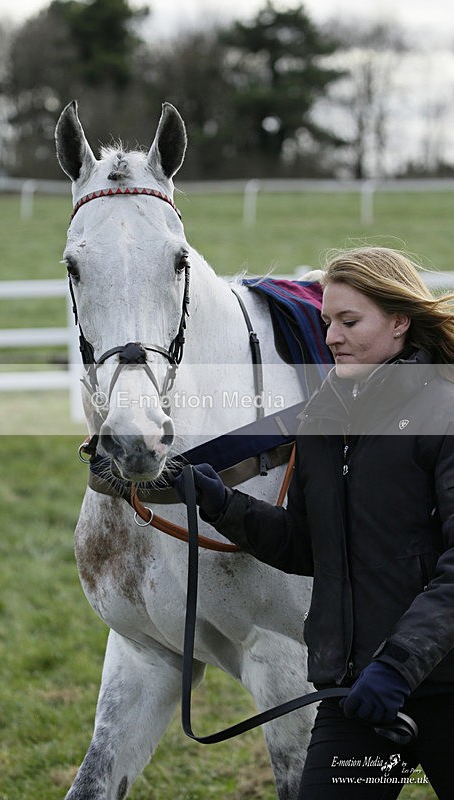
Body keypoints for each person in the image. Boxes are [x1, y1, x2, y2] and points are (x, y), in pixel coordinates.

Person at [175, 246, 454, 798]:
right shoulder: (324, 417)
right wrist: (221, 505)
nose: (331, 338)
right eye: (327, 322)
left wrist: (399, 665)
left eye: (350, 322)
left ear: (400, 321)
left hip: (442, 684)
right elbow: (308, 546)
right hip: (353, 697)